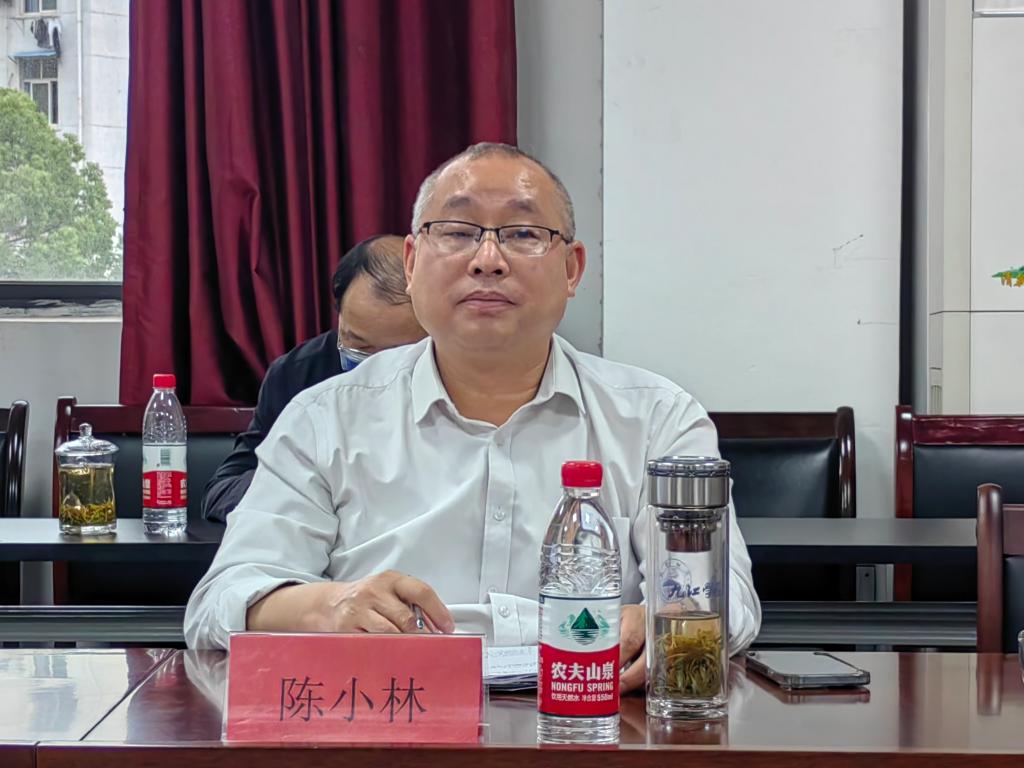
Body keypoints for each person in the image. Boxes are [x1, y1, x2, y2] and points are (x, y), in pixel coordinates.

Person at [184, 143, 761, 692]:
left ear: (572, 269)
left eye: (524, 234)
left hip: (591, 718)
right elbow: (221, 602)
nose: (488, 261)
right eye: (457, 232)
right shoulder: (323, 418)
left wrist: (666, 619)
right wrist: (328, 606)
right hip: (388, 721)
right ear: (413, 263)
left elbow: (729, 601)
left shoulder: (657, 418)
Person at [200, 235, 426, 523]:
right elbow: (223, 491)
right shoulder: (297, 374)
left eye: (395, 353)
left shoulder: (458, 373)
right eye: (359, 344)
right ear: (340, 314)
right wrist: (313, 487)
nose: (374, 368)